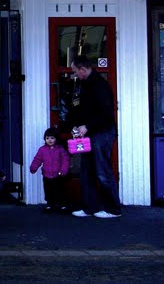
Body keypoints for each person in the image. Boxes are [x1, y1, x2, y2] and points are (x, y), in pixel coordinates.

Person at [68, 53, 123, 218]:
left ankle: (113, 209)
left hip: (103, 133)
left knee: (102, 171)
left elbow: (106, 114)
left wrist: (87, 126)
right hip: (90, 133)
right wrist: (76, 127)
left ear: (83, 69)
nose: (74, 75)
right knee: (87, 170)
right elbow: (80, 109)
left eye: (75, 71)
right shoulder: (84, 85)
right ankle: (90, 207)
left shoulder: (101, 86)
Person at [29, 127, 69, 211]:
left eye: (52, 138)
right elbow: (37, 159)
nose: (49, 140)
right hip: (47, 174)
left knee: (60, 190)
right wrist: (33, 167)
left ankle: (62, 203)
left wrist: (63, 170)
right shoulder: (42, 149)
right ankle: (50, 204)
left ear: (56, 139)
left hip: (58, 174)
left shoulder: (60, 149)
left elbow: (65, 160)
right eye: (47, 138)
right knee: (48, 190)